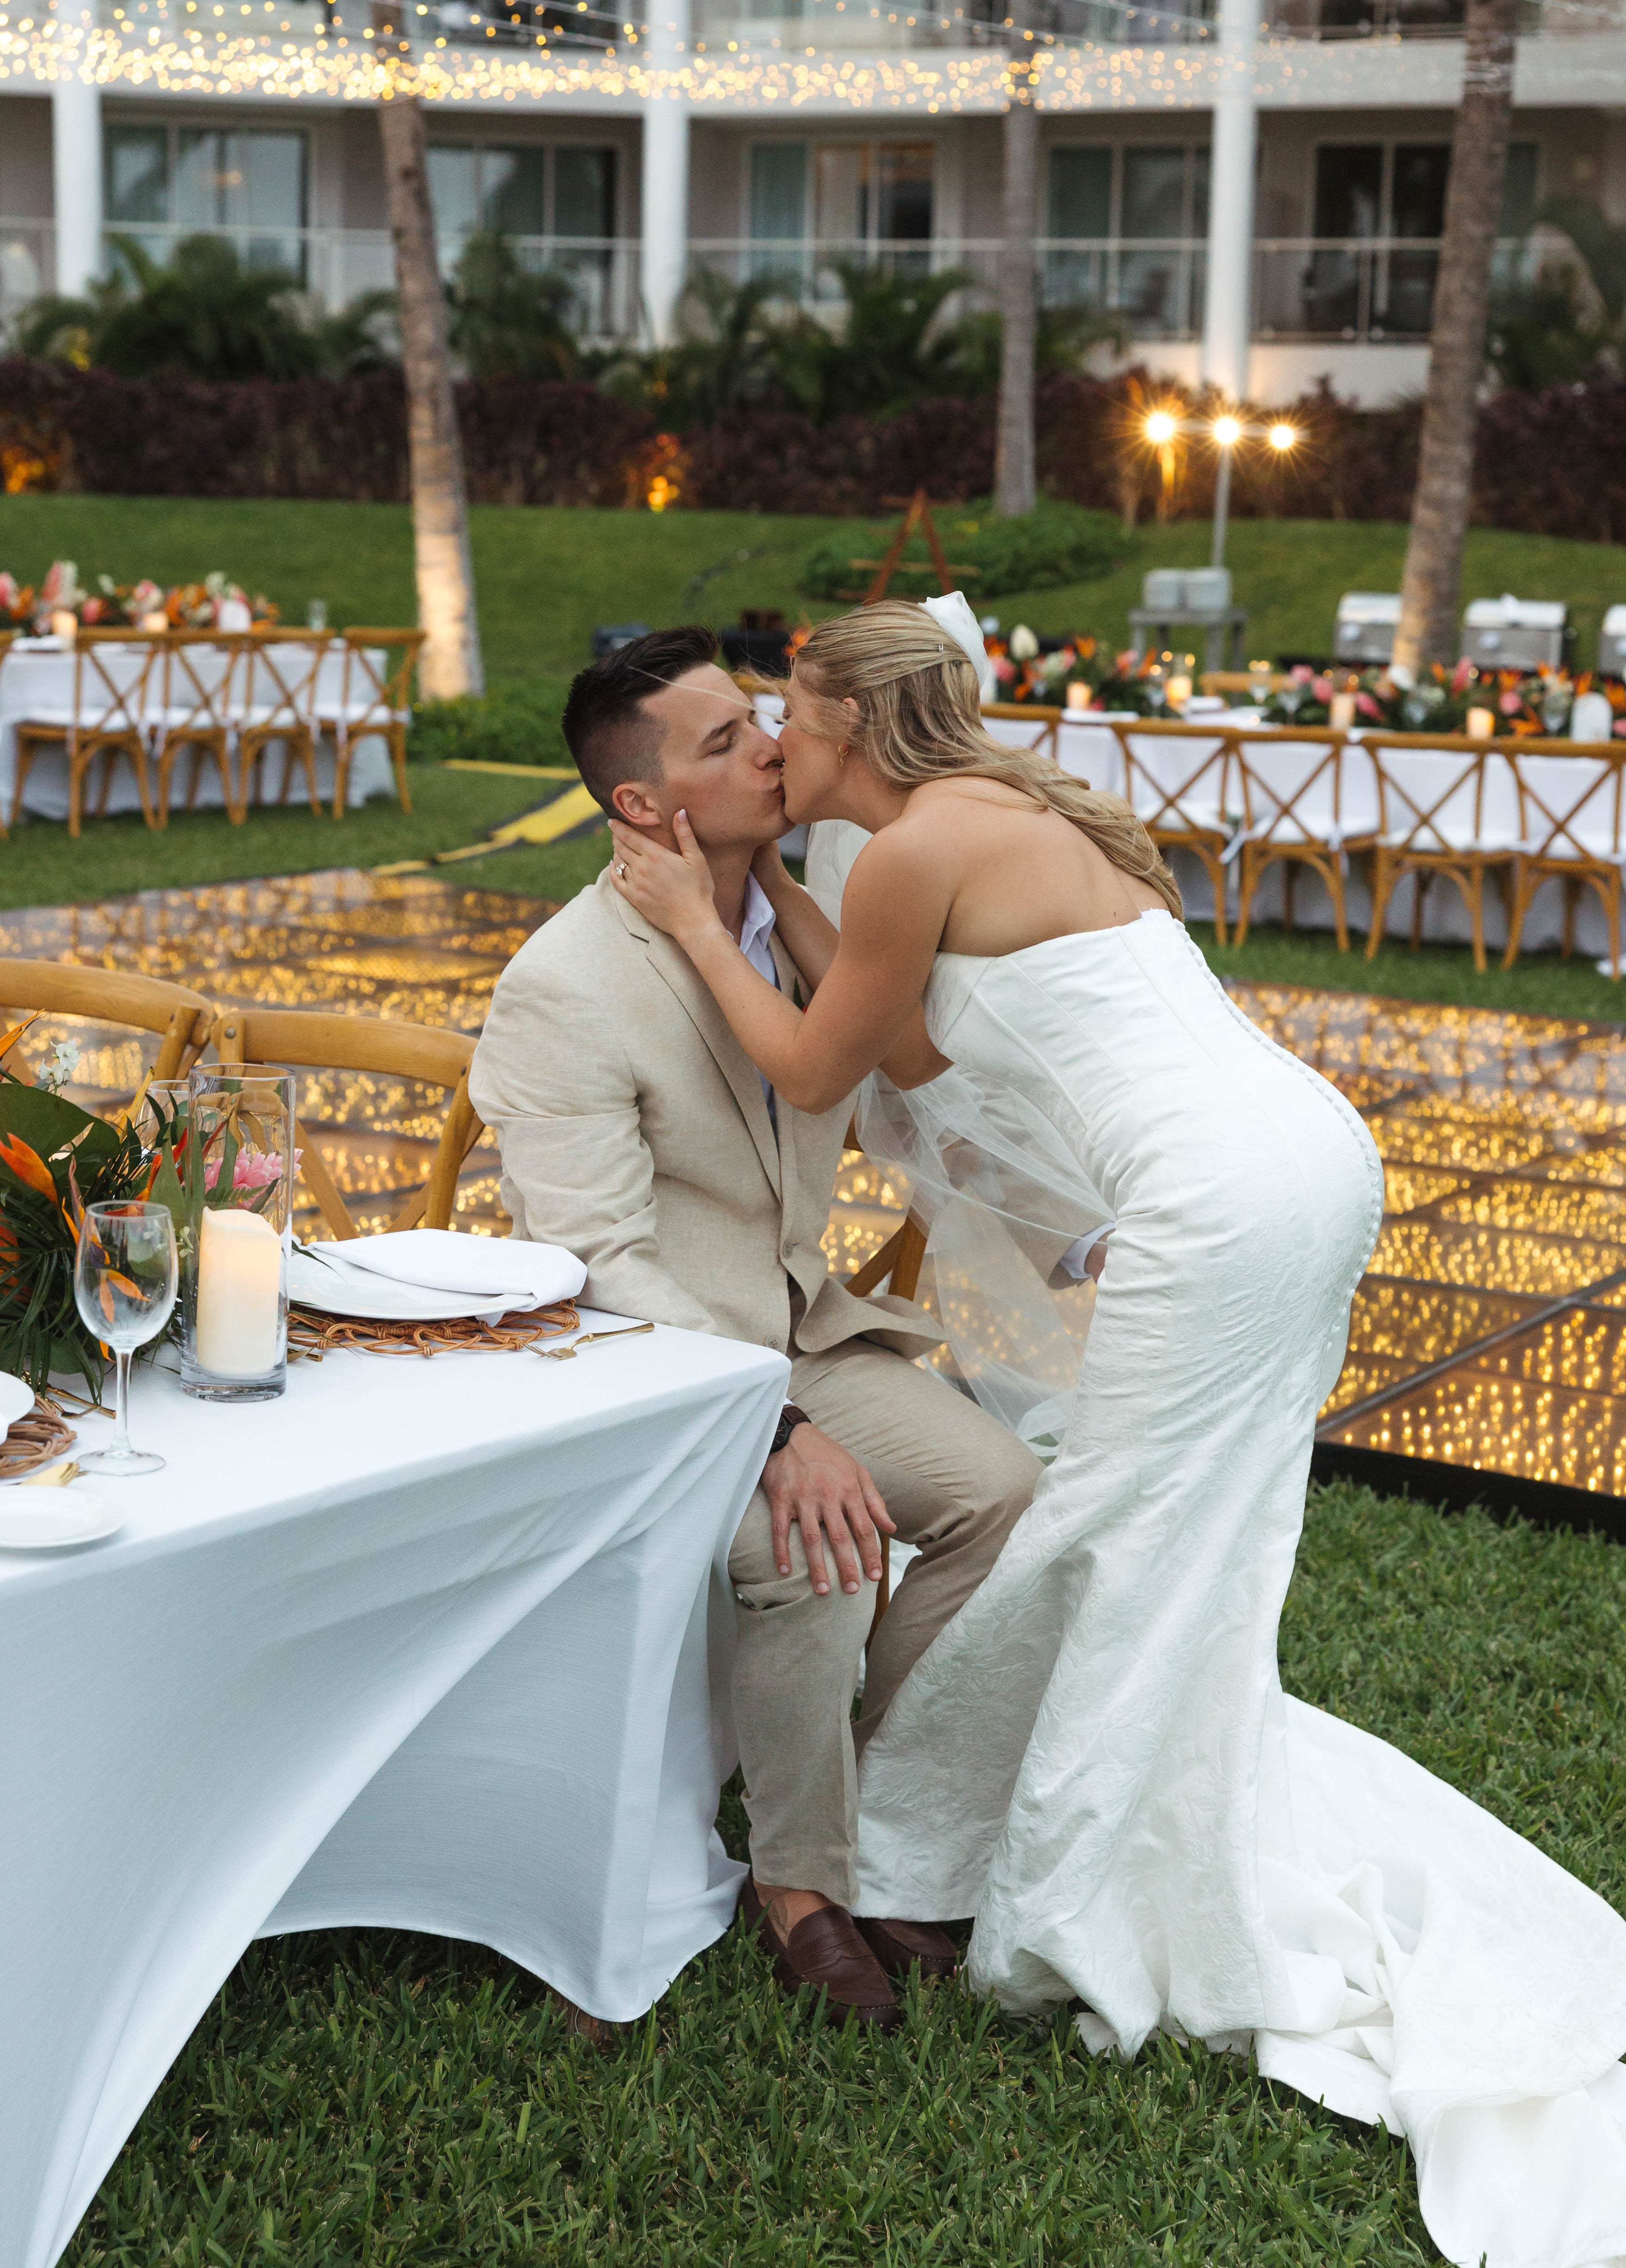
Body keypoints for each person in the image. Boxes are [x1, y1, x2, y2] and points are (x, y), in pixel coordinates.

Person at [606, 597, 1626, 2268]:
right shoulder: (1004, 814)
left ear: (852, 726)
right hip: (1306, 1161)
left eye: (789, 715)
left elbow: (810, 1074)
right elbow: (918, 1047)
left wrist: (693, 916)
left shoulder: (925, 845)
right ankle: (981, 1833)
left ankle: (996, 1881)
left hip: (1214, 1208)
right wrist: (783, 896)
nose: (775, 745)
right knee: (1192, 1536)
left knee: (1121, 1526)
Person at [468, 626, 1043, 2036]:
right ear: (641, 809)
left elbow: (887, 1064)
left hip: (807, 1333)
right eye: (722, 742)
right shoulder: (562, 985)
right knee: (815, 1546)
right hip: (655, 1375)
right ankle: (802, 1892)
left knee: (1010, 1500)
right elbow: (597, 1268)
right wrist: (771, 1429)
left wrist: (774, 881)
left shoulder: (784, 922)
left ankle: (858, 1796)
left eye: (760, 721)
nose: (771, 748)